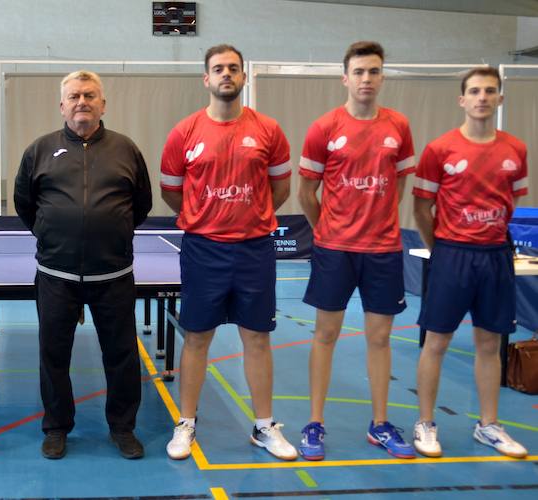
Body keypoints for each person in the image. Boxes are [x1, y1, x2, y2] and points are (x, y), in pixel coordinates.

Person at [161, 44, 296, 461]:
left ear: (244, 77)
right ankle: (186, 423)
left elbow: (281, 188)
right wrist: (205, 217)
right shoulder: (184, 132)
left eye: (233, 69)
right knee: (197, 337)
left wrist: (251, 218)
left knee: (257, 338)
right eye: (218, 69)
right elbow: (171, 191)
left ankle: (263, 426)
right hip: (203, 250)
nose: (226, 75)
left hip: (254, 250)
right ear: (206, 78)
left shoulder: (269, 130)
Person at [14, 70, 152, 459]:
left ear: (103, 104)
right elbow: (25, 204)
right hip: (56, 275)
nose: (82, 102)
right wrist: (52, 232)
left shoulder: (126, 149)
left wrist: (113, 230)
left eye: (90, 95)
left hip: (114, 275)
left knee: (122, 355)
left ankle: (122, 428)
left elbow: (140, 205)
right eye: (74, 96)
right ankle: (57, 427)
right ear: (62, 106)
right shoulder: (40, 150)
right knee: (54, 356)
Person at [297, 41, 416, 460]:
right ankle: (315, 423)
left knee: (379, 339)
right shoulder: (324, 127)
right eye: (360, 71)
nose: (367, 79)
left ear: (382, 77)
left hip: (383, 250)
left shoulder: (398, 126)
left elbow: (399, 184)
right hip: (335, 250)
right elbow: (305, 192)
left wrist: (378, 218)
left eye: (374, 71)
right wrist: (326, 229)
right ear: (345, 77)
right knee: (325, 335)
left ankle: (380, 424)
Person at [412, 67, 529, 459]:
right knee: (436, 341)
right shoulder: (440, 149)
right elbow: (421, 206)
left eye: (490, 91)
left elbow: (512, 200)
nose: (482, 97)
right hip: (452, 256)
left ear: (499, 99)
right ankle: (426, 422)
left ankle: (489, 425)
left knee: (489, 342)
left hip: (495, 256)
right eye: (475, 91)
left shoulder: (516, 150)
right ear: (462, 100)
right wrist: (443, 247)